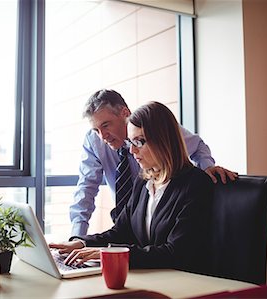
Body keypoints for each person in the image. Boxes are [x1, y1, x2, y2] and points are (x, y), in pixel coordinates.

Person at [50, 101, 213, 274]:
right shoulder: (143, 182)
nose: (132, 151)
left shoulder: (196, 184)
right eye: (131, 142)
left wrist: (109, 253)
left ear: (163, 140)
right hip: (149, 278)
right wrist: (82, 243)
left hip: (183, 284)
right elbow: (120, 232)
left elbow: (176, 253)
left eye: (140, 142)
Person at [70, 89, 237, 236]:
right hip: (129, 227)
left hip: (161, 229)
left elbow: (197, 145)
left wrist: (207, 168)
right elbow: (86, 187)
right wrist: (78, 238)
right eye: (96, 129)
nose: (102, 136)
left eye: (106, 125)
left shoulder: (154, 128)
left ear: (124, 113)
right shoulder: (95, 142)